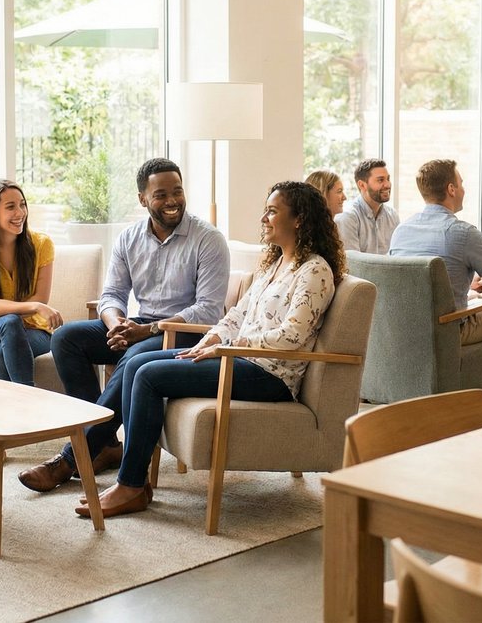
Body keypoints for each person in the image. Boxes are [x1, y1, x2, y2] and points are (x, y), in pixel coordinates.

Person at [72, 180, 343, 519]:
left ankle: (131, 485)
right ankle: (132, 480)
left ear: (299, 219)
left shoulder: (314, 270)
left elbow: (292, 336)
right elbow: (235, 317)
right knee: (139, 363)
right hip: (239, 360)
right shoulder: (274, 265)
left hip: (270, 375)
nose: (264, 218)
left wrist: (228, 348)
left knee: (150, 376)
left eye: (272, 211)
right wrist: (207, 344)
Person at [17, 158, 229, 493]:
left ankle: (74, 456)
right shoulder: (129, 238)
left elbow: (208, 309)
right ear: (143, 199)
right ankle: (104, 442)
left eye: (177, 191)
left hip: (187, 333)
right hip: (139, 325)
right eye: (161, 194)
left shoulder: (208, 239)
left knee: (133, 358)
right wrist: (115, 324)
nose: (172, 200)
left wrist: (148, 331)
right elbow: (112, 294)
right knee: (67, 339)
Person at [389, 159, 482, 414]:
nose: (464, 189)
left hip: (405, 328)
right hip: (449, 327)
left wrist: (470, 281)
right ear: (450, 189)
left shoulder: (402, 230)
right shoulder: (463, 233)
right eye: (461, 183)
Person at [0, 178, 60, 470]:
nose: (20, 212)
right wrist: (26, 308)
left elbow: (38, 297)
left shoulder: (41, 244)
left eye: (22, 204)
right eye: (10, 207)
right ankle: (26, 408)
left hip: (34, 332)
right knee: (8, 325)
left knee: (5, 347)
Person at [334, 158, 398, 254]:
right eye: (380, 180)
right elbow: (353, 264)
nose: (388, 185)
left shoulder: (392, 215)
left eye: (388, 179)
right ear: (362, 185)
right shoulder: (347, 217)